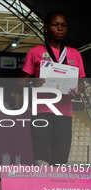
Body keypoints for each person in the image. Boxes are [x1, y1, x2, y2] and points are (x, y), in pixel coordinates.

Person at [18, 11, 85, 166]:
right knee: (41, 164)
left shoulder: (75, 54)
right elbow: (20, 84)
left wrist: (78, 91)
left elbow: (80, 83)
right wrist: (32, 83)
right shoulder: (35, 52)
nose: (60, 28)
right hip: (41, 113)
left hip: (65, 115)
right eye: (55, 25)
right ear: (46, 28)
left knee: (60, 164)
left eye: (63, 25)